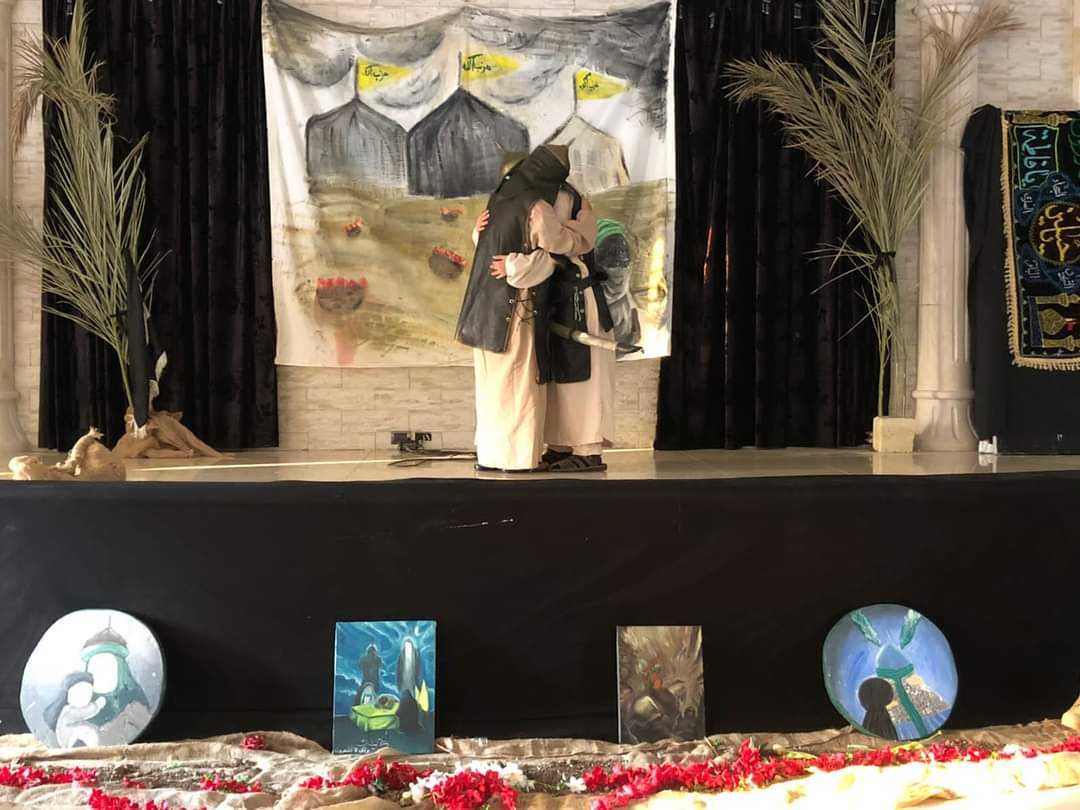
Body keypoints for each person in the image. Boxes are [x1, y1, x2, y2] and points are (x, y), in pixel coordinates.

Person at [476, 148, 615, 472]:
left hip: (574, 295)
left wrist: (577, 233)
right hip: (543, 298)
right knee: (553, 378)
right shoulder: (517, 202)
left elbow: (561, 245)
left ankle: (587, 448)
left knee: (581, 377)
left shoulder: (564, 199)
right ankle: (560, 444)